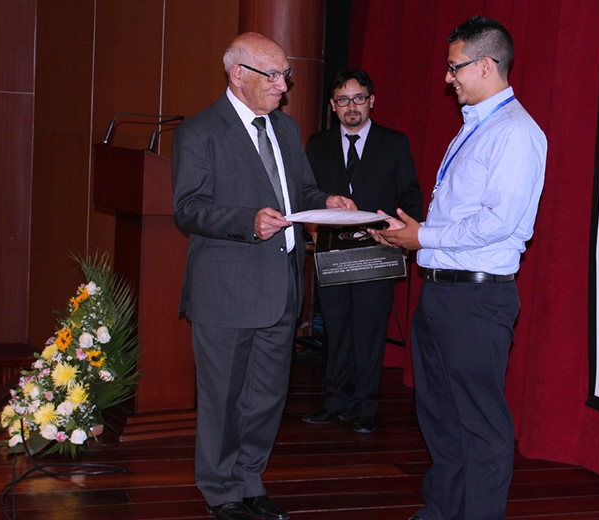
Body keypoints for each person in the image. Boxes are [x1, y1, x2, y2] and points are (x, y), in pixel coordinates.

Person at [171, 32, 355, 520]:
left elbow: (304, 193)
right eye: (273, 75)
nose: (283, 85)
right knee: (224, 399)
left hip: (282, 289)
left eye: (285, 74)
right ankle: (221, 491)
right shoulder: (200, 131)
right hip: (226, 291)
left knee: (267, 398)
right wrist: (247, 220)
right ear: (238, 75)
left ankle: (250, 480)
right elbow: (188, 209)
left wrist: (326, 202)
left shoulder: (287, 130)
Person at [370, 16, 547, 520]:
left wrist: (420, 236)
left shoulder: (514, 134)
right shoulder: (477, 127)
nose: (448, 79)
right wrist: (409, 230)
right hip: (444, 295)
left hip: (477, 300)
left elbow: (497, 223)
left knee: (481, 428)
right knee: (441, 420)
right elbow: (462, 219)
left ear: (486, 65)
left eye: (455, 68)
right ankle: (441, 512)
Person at [302, 69, 423, 434]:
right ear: (332, 106)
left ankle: (365, 406)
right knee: (336, 329)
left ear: (372, 100)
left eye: (358, 98)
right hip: (332, 254)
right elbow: (306, 191)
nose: (351, 106)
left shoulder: (395, 143)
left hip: (379, 253)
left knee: (369, 331)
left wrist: (405, 232)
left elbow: (411, 195)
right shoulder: (316, 144)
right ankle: (335, 401)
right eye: (342, 100)